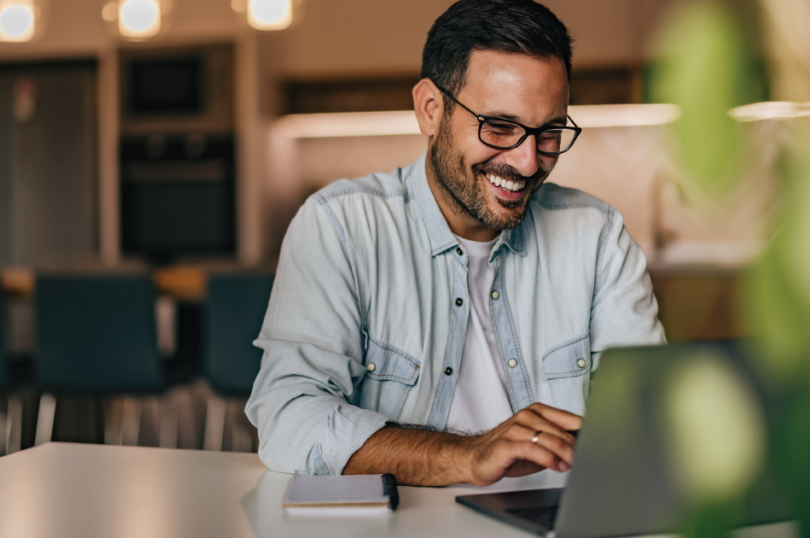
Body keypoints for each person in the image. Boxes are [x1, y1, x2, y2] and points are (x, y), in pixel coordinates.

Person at [245, 0, 665, 487]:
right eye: (500, 127)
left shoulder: (597, 237)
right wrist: (464, 456)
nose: (528, 162)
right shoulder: (341, 226)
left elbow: (649, 420)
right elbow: (289, 419)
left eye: (548, 132)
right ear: (430, 109)